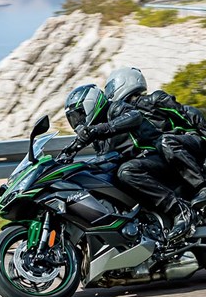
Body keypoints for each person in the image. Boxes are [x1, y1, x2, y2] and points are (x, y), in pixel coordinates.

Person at [60, 83, 194, 242]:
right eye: (73, 119)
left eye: (79, 115)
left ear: (90, 104)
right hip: (141, 168)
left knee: (126, 171)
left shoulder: (116, 109)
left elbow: (134, 117)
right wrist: (69, 152)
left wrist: (100, 129)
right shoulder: (98, 137)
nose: (77, 122)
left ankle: (179, 210)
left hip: (156, 157)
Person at [104, 66, 206, 208]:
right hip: (172, 154)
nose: (109, 94)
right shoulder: (127, 117)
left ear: (125, 82)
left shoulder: (154, 99)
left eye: (111, 88)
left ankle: (205, 187)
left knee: (165, 141)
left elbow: (191, 113)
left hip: (192, 142)